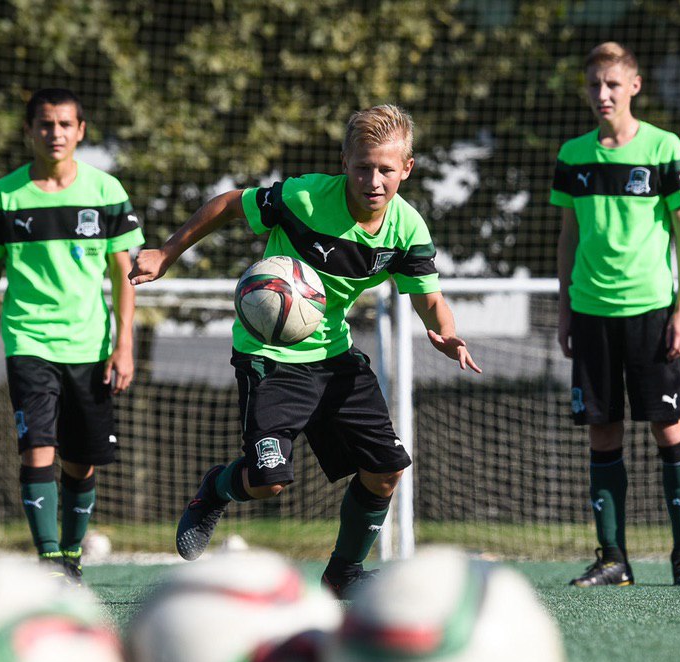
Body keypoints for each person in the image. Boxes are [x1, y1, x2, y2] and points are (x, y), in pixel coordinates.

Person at [130, 104, 481, 597]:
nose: (373, 180)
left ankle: (343, 575)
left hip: (334, 357)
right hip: (268, 356)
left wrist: (444, 332)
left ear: (407, 169)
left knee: (386, 471)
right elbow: (231, 204)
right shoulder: (304, 198)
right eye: (363, 167)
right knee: (267, 480)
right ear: (344, 162)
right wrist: (167, 253)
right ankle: (215, 489)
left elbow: (429, 298)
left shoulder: (407, 230)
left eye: (385, 169)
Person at [0, 87, 143, 582]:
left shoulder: (106, 191)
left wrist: (124, 344)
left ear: (81, 131)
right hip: (28, 340)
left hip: (91, 345)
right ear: (29, 130)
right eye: (45, 124)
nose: (55, 133)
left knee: (81, 462)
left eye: (65, 124)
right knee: (37, 446)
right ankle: (48, 559)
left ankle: (71, 553)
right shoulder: (5, 195)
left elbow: (122, 273)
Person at [552, 42, 680, 588]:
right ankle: (613, 559)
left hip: (652, 311)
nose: (603, 94)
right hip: (591, 312)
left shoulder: (664, 147)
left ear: (634, 86)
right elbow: (567, 237)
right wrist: (564, 309)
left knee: (669, 427)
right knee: (602, 431)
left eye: (613, 84)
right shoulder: (573, 155)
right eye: (595, 84)